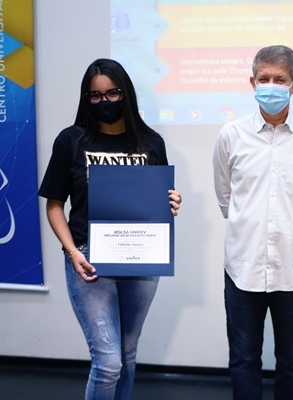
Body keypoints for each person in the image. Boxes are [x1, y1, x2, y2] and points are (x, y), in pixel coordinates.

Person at [38, 58, 182, 400]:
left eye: (113, 93)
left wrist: (170, 204)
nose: (105, 102)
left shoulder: (151, 143)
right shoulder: (71, 141)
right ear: (86, 100)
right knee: (107, 362)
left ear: (126, 94)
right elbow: (55, 205)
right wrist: (72, 252)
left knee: (127, 355)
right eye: (96, 96)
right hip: (88, 259)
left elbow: (156, 206)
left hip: (142, 258)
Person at [212, 45, 293, 400]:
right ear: (252, 82)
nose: (271, 86)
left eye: (280, 79)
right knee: (243, 359)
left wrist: (292, 226)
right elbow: (226, 198)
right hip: (242, 265)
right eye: (264, 79)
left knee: (292, 361)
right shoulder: (230, 136)